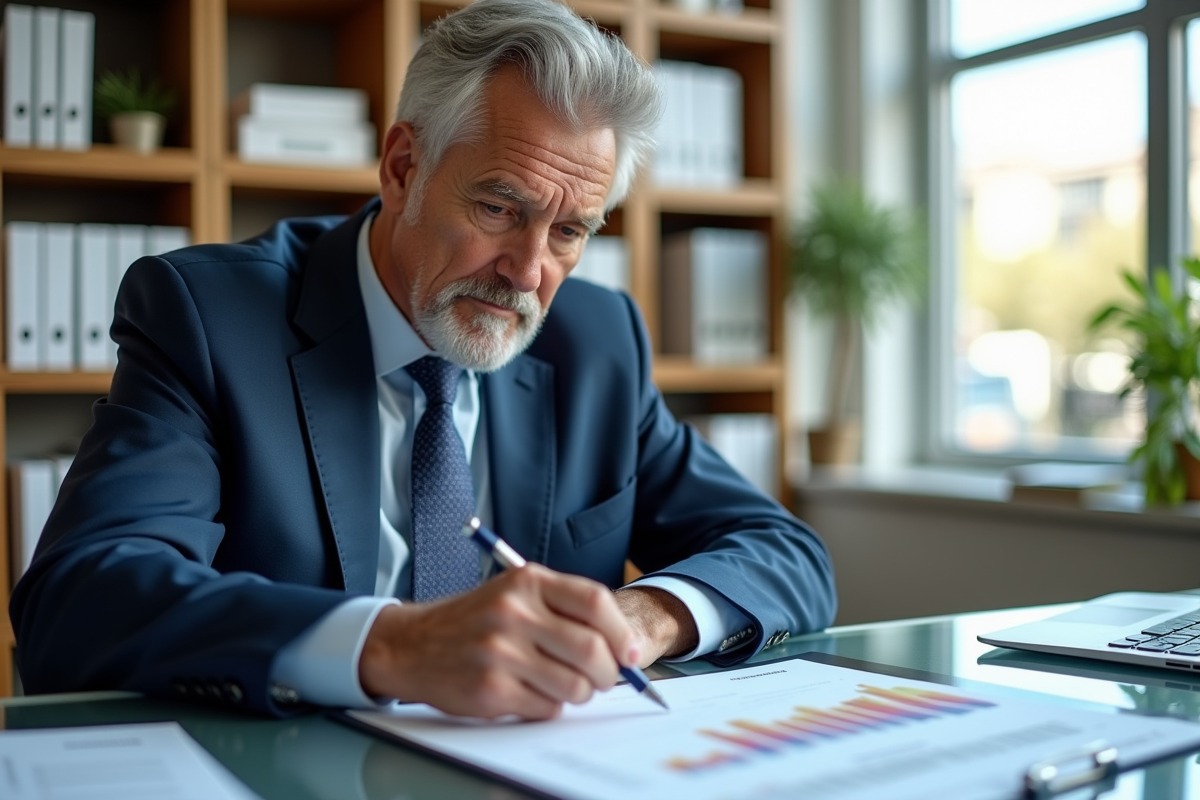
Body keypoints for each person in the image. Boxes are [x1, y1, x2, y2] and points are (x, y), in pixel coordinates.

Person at [10, 0, 835, 719]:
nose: (528, 270)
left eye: (570, 231)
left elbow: (785, 552)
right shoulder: (210, 317)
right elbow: (83, 599)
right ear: (404, 168)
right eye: (498, 206)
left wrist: (645, 617)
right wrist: (394, 646)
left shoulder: (598, 342)